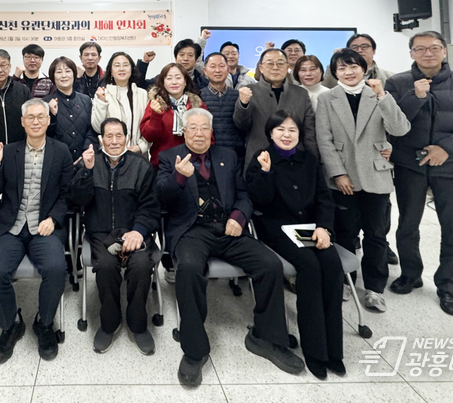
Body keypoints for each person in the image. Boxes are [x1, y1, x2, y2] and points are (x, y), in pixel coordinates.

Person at [157, 108, 303, 387]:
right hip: (191, 231)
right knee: (188, 269)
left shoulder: (227, 156)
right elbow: (162, 199)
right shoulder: (169, 157)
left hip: (228, 228)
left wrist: (238, 217)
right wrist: (179, 177)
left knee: (269, 264)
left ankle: (266, 338)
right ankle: (194, 351)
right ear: (184, 132)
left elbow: (244, 194)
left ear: (211, 132)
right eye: (192, 128)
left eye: (204, 128)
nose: (198, 133)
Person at [385, 31, 453, 316]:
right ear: (411, 53)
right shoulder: (397, 83)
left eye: (434, 48)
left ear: (444, 51)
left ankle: (448, 286)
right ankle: (410, 274)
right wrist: (415, 96)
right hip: (411, 165)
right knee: (407, 224)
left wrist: (447, 148)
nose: (428, 53)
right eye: (420, 49)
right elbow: (391, 122)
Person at [246, 110, 343, 380]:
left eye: (292, 130)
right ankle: (315, 352)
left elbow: (324, 198)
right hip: (277, 228)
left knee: (332, 266)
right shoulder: (262, 158)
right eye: (280, 130)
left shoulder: (309, 160)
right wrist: (266, 172)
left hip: (312, 228)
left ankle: (334, 351)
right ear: (270, 133)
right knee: (310, 267)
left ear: (299, 134)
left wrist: (324, 227)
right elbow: (259, 201)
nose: (286, 135)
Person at [316, 49, 411, 314]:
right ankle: (346, 281)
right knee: (344, 233)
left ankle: (374, 288)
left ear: (364, 68)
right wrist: (338, 173)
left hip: (375, 174)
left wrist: (382, 96)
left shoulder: (378, 94)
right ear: (335, 73)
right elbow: (324, 139)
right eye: (342, 68)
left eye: (353, 67)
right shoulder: (327, 98)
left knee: (376, 235)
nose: (348, 72)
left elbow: (400, 129)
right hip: (343, 176)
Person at [0, 99, 74, 363]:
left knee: (56, 270)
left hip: (44, 226)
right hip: (11, 226)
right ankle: (11, 324)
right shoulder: (9, 150)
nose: (35, 121)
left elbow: (68, 194)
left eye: (40, 116)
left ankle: (44, 323)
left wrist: (54, 219)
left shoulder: (61, 151)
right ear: (22, 122)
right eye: (30, 117)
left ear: (48, 120)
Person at [68, 118, 161, 354]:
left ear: (127, 139)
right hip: (101, 233)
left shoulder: (141, 166)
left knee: (141, 265)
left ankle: (138, 324)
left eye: (119, 136)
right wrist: (86, 172)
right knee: (107, 266)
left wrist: (139, 231)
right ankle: (110, 323)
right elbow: (77, 201)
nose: (114, 141)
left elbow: (150, 206)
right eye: (108, 136)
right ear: (101, 140)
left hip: (134, 231)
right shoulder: (90, 163)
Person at [234, 48, 317, 173]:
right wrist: (243, 104)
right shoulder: (249, 91)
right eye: (270, 63)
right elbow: (241, 125)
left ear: (287, 67)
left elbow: (309, 132)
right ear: (261, 67)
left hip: (295, 162)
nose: (275, 67)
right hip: (259, 160)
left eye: (280, 63)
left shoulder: (301, 93)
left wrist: (313, 162)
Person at [140, 63, 209, 168]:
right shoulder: (156, 103)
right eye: (169, 78)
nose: (174, 82)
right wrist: (156, 115)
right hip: (162, 164)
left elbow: (208, 134)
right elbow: (149, 136)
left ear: (185, 81)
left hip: (193, 162)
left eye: (178, 78)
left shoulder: (197, 104)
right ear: (163, 82)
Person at [91, 52, 149, 156]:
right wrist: (101, 103)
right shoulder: (102, 94)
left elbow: (149, 125)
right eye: (117, 65)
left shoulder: (143, 94)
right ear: (111, 71)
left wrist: (141, 147)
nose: (121, 69)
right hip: (111, 154)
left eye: (125, 65)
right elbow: (98, 128)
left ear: (131, 69)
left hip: (138, 155)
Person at [44, 56, 98, 162]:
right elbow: (43, 135)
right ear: (52, 76)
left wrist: (85, 155)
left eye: (68, 71)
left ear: (74, 74)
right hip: (56, 161)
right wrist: (52, 116)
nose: (64, 75)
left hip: (84, 160)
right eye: (59, 72)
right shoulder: (45, 102)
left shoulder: (86, 100)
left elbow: (92, 130)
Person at [200, 52, 245, 163]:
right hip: (208, 153)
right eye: (213, 66)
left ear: (228, 69)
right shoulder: (198, 96)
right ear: (205, 71)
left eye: (221, 66)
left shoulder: (238, 96)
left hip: (236, 153)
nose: (217, 70)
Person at [323, 33, 395, 88]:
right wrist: (336, 61)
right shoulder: (336, 74)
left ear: (374, 50)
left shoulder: (390, 77)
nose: (359, 50)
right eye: (354, 47)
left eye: (364, 46)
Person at [136, 39, 209, 90]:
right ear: (175, 58)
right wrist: (144, 62)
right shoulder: (163, 77)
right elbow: (140, 85)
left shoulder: (204, 83)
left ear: (196, 60)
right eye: (181, 54)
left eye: (190, 55)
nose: (185, 58)